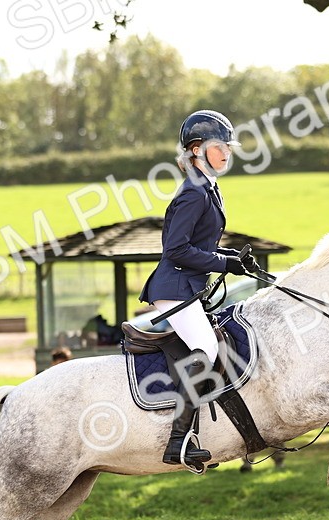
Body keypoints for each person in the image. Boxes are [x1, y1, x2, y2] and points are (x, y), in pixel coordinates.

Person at [138, 109, 256, 469]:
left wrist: (232, 258)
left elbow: (200, 246)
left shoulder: (208, 187)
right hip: (173, 286)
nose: (227, 153)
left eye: (228, 147)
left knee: (218, 342)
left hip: (186, 285)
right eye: (221, 147)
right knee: (205, 346)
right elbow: (176, 250)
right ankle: (178, 442)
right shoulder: (193, 192)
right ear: (196, 149)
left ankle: (207, 432)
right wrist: (222, 264)